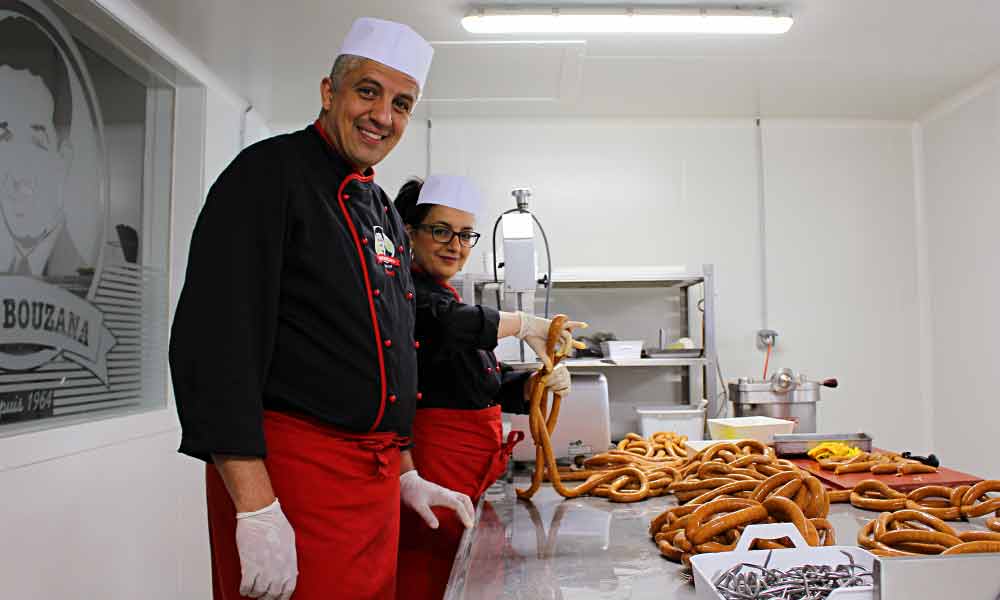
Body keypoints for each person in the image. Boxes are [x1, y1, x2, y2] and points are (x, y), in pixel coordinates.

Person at [169, 18, 473, 600]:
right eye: (368, 91)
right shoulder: (266, 176)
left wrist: (406, 471)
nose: (383, 115)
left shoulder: (379, 207)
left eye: (402, 103)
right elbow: (213, 346)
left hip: (373, 486)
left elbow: (391, 344)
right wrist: (256, 507)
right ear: (329, 92)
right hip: (293, 478)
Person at [392, 175, 584, 599]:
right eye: (440, 231)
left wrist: (536, 385)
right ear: (408, 233)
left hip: (471, 475)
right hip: (433, 472)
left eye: (464, 235)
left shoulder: (446, 296)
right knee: (433, 581)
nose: (455, 245)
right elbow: (447, 324)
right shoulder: (403, 294)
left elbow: (484, 385)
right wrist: (521, 322)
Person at [0, 15, 84, 277]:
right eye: (4, 138)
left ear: (64, 160)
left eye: (38, 143)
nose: (18, 175)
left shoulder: (81, 273)